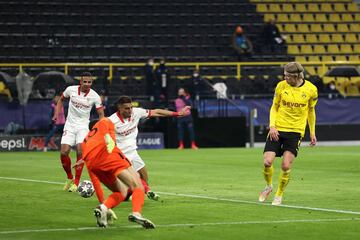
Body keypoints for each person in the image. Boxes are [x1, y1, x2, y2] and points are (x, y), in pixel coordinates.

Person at [108, 96, 191, 200]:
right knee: (135, 179)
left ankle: (131, 193)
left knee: (144, 176)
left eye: (130, 107)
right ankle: (142, 194)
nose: (130, 110)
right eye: (126, 108)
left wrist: (177, 113)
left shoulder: (136, 112)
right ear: (119, 108)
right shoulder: (111, 121)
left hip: (133, 152)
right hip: (121, 155)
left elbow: (156, 112)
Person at [258, 62, 318, 205]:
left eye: (287, 76)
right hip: (278, 128)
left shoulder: (311, 90)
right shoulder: (281, 86)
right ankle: (269, 186)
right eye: (284, 75)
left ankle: (279, 194)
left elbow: (311, 111)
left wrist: (312, 132)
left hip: (296, 131)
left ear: (296, 76)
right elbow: (274, 106)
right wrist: (272, 126)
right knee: (267, 162)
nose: (284, 78)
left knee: (285, 166)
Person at [79, 118, 155, 229]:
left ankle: (103, 208)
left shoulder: (85, 141)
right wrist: (109, 138)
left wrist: (102, 201)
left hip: (93, 164)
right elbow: (105, 124)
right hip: (110, 157)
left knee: (121, 192)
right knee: (137, 185)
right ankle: (136, 213)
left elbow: (94, 179)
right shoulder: (104, 122)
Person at [53, 72, 104, 192]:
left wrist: (102, 127)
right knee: (64, 152)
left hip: (83, 126)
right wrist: (56, 113)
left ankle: (76, 182)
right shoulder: (70, 90)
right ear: (80, 82)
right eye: (85, 81)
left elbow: (101, 113)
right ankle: (70, 177)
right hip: (69, 125)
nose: (87, 84)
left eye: (89, 82)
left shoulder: (94, 96)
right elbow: (61, 100)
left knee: (80, 151)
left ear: (91, 82)